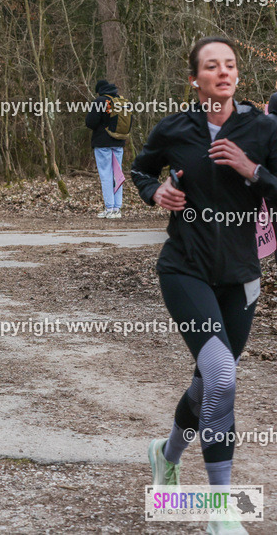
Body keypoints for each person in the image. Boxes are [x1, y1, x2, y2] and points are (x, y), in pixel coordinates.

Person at [132, 38, 277, 535]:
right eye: (211, 66)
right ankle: (221, 510)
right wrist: (158, 193)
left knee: (206, 383)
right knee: (221, 377)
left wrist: (252, 170)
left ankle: (165, 455)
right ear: (194, 78)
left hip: (241, 279)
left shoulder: (263, 128)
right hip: (185, 270)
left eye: (230, 65)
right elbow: (139, 170)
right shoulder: (174, 128)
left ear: (238, 75)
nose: (223, 72)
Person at [86, 79, 126, 219]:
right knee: (118, 176)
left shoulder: (100, 101)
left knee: (106, 176)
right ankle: (117, 208)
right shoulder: (120, 100)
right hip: (119, 142)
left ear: (100, 90)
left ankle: (109, 208)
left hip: (103, 144)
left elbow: (90, 123)